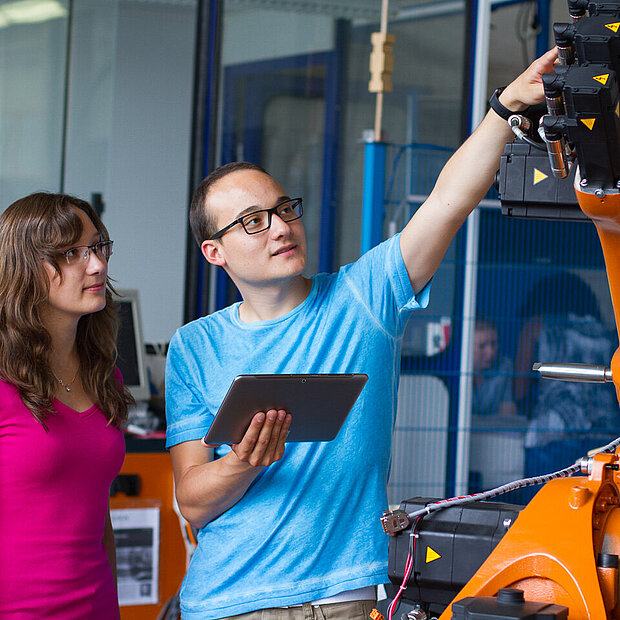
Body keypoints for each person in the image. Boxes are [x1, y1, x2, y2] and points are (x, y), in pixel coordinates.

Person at [165, 48, 559, 620]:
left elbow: (449, 202)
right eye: (253, 221)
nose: (279, 227)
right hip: (227, 600)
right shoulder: (195, 345)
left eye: (283, 209)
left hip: (342, 600)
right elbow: (191, 502)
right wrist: (244, 462)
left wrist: (505, 109)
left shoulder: (363, 299)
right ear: (214, 252)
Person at [0, 193, 134, 618]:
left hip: (95, 607)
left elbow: (98, 516)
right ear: (24, 267)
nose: (96, 265)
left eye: (98, 247)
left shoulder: (103, 376)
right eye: (72, 253)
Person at [514, 272, 619, 480]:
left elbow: (520, 388)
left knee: (544, 505)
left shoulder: (536, 326)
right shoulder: (606, 333)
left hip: (551, 434)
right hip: (604, 437)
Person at [469, 318, 524, 492]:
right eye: (482, 346)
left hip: (492, 444)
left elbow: (507, 415)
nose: (491, 352)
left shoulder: (504, 366)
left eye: (494, 344)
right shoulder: (457, 370)